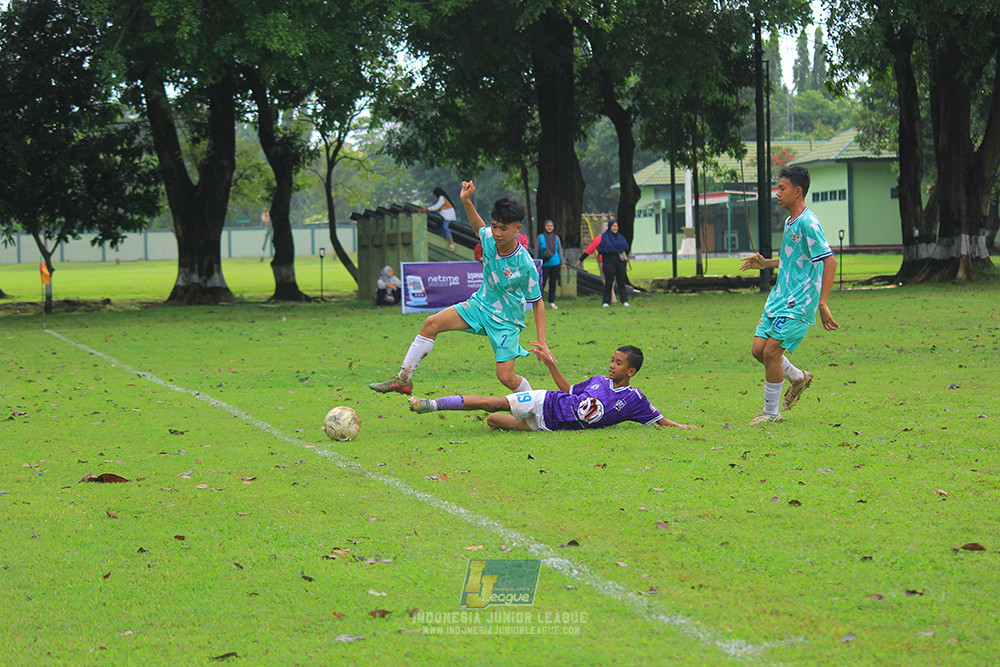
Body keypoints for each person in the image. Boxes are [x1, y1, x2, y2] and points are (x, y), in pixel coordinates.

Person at [370, 181, 545, 396]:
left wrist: (542, 341)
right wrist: (466, 200)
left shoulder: (525, 264)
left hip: (506, 322)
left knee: (506, 377)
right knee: (431, 323)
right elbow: (479, 226)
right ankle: (403, 379)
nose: (497, 233)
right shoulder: (489, 238)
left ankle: (536, 403)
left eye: (503, 228)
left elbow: (537, 301)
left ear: (517, 229)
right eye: (495, 226)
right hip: (478, 307)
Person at [740, 165, 839, 425]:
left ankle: (771, 413)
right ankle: (798, 377)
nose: (777, 193)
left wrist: (823, 303)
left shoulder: (809, 222)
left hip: (800, 301)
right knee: (758, 350)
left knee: (772, 352)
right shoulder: (790, 221)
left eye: (781, 188)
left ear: (797, 191)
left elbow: (830, 262)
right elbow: (791, 259)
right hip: (779, 297)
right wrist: (765, 264)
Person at [408, 342, 695, 432]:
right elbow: (568, 390)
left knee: (495, 421)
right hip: (544, 402)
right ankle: (432, 404)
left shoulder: (634, 399)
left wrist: (683, 428)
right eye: (612, 360)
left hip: (548, 427)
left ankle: (510, 402)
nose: (611, 365)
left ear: (631, 371)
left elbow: (658, 419)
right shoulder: (597, 381)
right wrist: (551, 364)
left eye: (618, 363)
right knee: (493, 404)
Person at [596, 220, 630, 308]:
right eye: (613, 226)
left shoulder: (620, 237)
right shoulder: (605, 237)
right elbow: (603, 249)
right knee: (609, 281)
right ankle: (606, 301)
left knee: (621, 281)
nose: (615, 228)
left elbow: (625, 247)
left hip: (620, 261)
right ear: (610, 227)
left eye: (616, 226)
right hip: (609, 260)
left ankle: (624, 300)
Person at [537, 219, 566, 309]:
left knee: (553, 283)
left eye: (551, 226)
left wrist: (563, 263)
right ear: (545, 227)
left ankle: (551, 301)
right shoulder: (540, 237)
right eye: (548, 226)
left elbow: (560, 251)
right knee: (542, 283)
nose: (549, 228)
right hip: (545, 264)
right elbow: (537, 251)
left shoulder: (556, 238)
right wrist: (536, 263)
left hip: (555, 263)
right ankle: (539, 302)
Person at [422, 187, 457, 251]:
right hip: (444, 215)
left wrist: (428, 209)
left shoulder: (442, 198)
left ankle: (452, 242)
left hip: (448, 215)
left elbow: (437, 206)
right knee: (439, 226)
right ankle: (441, 237)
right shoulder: (443, 197)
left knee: (445, 226)